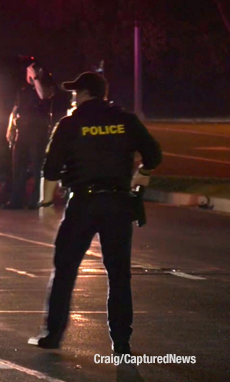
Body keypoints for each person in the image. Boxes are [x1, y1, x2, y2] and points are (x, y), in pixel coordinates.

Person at [29, 72, 162, 355]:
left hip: (83, 204)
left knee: (65, 270)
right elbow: (153, 154)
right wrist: (143, 172)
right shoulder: (125, 120)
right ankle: (121, 342)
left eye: (77, 92)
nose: (74, 96)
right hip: (118, 203)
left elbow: (50, 169)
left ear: (86, 93)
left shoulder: (70, 123)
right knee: (118, 275)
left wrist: (48, 200)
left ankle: (52, 335)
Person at [3, 62, 67, 210]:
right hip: (22, 131)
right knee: (18, 166)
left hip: (38, 131)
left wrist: (36, 79)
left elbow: (43, 96)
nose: (29, 74)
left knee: (38, 166)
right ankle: (16, 200)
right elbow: (14, 110)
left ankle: (36, 200)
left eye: (32, 71)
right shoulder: (22, 89)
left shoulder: (47, 86)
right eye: (28, 71)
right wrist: (9, 128)